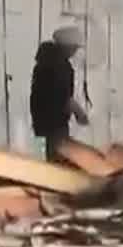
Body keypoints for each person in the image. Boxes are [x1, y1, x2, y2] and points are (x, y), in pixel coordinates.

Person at [29, 26, 88, 161]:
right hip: (56, 124)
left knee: (40, 160)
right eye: (74, 47)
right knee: (57, 163)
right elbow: (63, 96)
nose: (74, 51)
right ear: (66, 46)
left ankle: (36, 179)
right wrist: (79, 113)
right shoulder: (61, 66)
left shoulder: (42, 63)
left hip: (39, 122)